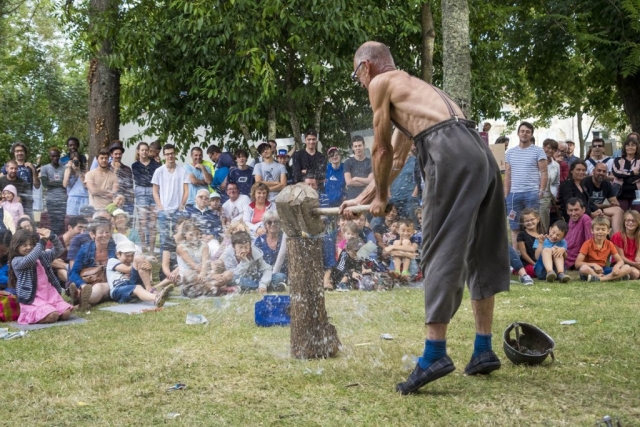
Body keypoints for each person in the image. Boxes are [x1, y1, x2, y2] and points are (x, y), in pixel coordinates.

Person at [342, 42, 509, 394]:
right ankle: (483, 350)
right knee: (481, 248)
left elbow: (380, 148)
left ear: (366, 67)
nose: (359, 81)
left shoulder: (379, 84)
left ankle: (434, 352)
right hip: (477, 149)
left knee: (441, 246)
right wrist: (364, 197)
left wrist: (384, 198)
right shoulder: (416, 92)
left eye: (356, 73)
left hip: (448, 150)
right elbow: (397, 159)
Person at [10, 228, 73, 324]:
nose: (29, 247)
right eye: (24, 245)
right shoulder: (17, 261)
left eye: (31, 244)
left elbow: (59, 250)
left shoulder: (42, 256)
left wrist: (52, 236)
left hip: (49, 294)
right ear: (16, 247)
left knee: (66, 313)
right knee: (53, 315)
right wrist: (42, 241)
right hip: (33, 298)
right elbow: (30, 260)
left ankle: (51, 312)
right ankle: (42, 315)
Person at [504, 122, 548, 248]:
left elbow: (544, 172)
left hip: (532, 193)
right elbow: (507, 175)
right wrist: (506, 195)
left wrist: (541, 191)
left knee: (533, 224)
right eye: (522, 131)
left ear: (531, 134)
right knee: (515, 226)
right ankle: (516, 258)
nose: (524, 134)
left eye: (528, 132)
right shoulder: (510, 153)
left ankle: (535, 254)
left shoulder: (538, 151)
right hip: (514, 194)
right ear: (518, 133)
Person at [68, 217, 116, 310]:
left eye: (107, 232)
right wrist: (82, 284)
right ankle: (82, 295)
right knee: (92, 288)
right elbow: (73, 272)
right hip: (89, 283)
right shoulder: (85, 249)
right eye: (101, 232)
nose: (105, 235)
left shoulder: (116, 248)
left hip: (109, 282)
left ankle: (80, 297)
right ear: (92, 234)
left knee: (99, 288)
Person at [106, 240, 173, 306]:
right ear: (118, 254)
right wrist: (145, 261)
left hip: (132, 284)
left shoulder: (133, 263)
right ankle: (156, 297)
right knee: (137, 287)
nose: (130, 258)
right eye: (127, 255)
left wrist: (148, 268)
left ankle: (150, 289)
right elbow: (127, 269)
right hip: (118, 289)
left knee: (139, 258)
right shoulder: (112, 261)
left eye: (132, 255)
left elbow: (145, 277)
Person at [221, 230, 286, 293]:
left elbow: (267, 269)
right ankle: (270, 287)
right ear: (233, 246)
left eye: (246, 247)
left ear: (250, 245)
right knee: (235, 280)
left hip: (255, 277)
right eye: (240, 247)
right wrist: (244, 262)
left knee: (280, 276)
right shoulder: (228, 254)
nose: (243, 250)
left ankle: (256, 288)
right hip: (242, 279)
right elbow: (234, 274)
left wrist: (263, 284)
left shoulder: (255, 251)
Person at [151, 144, 189, 249]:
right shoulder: (158, 171)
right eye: (167, 154)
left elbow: (186, 191)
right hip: (164, 210)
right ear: (164, 156)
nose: (170, 156)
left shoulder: (182, 171)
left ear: (175, 154)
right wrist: (160, 207)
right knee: (164, 239)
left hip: (178, 210)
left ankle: (177, 263)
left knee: (178, 238)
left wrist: (182, 205)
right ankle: (164, 264)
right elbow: (154, 191)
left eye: (172, 153)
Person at [575, 216, 632, 282]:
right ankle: (612, 277)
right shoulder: (587, 244)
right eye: (597, 229)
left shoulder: (609, 244)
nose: (600, 232)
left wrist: (616, 267)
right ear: (592, 230)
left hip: (603, 269)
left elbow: (620, 261)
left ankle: (600, 279)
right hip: (590, 269)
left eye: (603, 229)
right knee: (583, 268)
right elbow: (577, 264)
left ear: (608, 231)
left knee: (627, 267)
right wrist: (594, 265)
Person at [131, 142, 161, 253]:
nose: (144, 152)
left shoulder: (155, 164)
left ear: (148, 151)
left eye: (146, 150)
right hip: (141, 193)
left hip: (154, 192)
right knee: (143, 222)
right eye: (142, 150)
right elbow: (140, 179)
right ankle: (143, 248)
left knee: (152, 224)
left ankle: (152, 250)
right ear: (138, 151)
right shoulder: (135, 165)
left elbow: (158, 178)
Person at [582, 162, 624, 233]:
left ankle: (615, 238)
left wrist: (613, 204)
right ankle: (617, 239)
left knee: (619, 210)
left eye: (604, 171)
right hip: (589, 211)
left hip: (600, 211)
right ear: (593, 171)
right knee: (616, 216)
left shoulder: (606, 184)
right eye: (599, 170)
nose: (601, 173)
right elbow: (588, 204)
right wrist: (607, 205)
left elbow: (615, 203)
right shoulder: (585, 182)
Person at [2, 142, 40, 218]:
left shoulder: (30, 166)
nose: (19, 153)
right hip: (10, 202)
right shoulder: (9, 166)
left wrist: (32, 168)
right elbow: (1, 182)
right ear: (14, 153)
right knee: (10, 226)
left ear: (25, 152)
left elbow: (37, 185)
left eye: (21, 150)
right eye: (17, 151)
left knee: (27, 226)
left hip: (27, 202)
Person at [39, 148, 67, 237]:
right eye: (53, 156)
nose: (55, 158)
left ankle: (59, 242)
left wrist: (52, 182)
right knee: (52, 220)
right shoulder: (44, 168)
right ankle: (54, 241)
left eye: (57, 155)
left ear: (59, 156)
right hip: (51, 199)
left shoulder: (65, 168)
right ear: (50, 157)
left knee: (61, 220)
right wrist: (60, 183)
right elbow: (45, 183)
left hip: (62, 199)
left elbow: (66, 184)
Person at [253, 210, 288, 278]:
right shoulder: (259, 240)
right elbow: (255, 261)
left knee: (281, 277)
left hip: (283, 274)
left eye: (276, 222)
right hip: (264, 274)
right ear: (265, 225)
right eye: (269, 222)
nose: (273, 224)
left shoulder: (284, 238)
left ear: (280, 223)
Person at [612, 136, 640, 211]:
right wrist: (632, 173)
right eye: (628, 145)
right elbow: (616, 173)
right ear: (624, 147)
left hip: (636, 193)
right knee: (621, 213)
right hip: (620, 193)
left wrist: (626, 178)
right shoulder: (617, 160)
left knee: (637, 215)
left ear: (637, 147)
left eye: (633, 145)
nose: (630, 147)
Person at [564, 198, 593, 270]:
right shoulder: (571, 219)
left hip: (575, 259)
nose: (573, 213)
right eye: (571, 210)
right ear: (567, 211)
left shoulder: (585, 218)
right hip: (566, 255)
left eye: (576, 210)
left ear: (583, 209)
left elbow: (590, 241)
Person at [611, 210, 640, 279]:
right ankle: (622, 274)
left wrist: (638, 262)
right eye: (628, 220)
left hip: (634, 263)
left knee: (636, 272)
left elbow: (637, 256)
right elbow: (621, 257)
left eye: (633, 221)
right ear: (624, 222)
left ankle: (624, 275)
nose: (630, 223)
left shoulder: (639, 236)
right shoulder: (618, 236)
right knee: (635, 273)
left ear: (638, 222)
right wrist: (634, 264)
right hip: (620, 262)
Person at [539, 139, 561, 232]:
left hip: (546, 197)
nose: (550, 151)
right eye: (548, 148)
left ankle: (544, 241)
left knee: (544, 222)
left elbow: (556, 182)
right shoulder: (536, 162)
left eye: (553, 149)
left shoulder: (555, 165)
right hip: (533, 194)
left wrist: (553, 194)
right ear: (543, 147)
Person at [516, 208, 544, 278]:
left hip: (541, 261)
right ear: (523, 223)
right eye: (527, 221)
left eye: (532, 219)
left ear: (538, 219)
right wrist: (534, 264)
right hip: (528, 262)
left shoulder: (542, 234)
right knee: (533, 271)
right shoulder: (522, 234)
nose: (530, 222)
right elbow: (523, 253)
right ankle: (515, 269)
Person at [108, 142, 135, 215]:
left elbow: (129, 186)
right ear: (111, 154)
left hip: (126, 202)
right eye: (116, 154)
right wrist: (116, 171)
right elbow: (108, 183)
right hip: (111, 201)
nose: (118, 156)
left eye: (120, 154)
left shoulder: (127, 169)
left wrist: (131, 201)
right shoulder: (107, 168)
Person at [344, 136, 373, 201]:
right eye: (355, 146)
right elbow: (348, 182)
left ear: (364, 146)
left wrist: (356, 178)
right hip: (352, 198)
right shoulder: (348, 162)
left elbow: (371, 181)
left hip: (367, 197)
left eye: (360, 146)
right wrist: (366, 182)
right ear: (352, 148)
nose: (358, 148)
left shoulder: (370, 162)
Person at [63, 151, 90, 216]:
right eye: (74, 161)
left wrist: (79, 171)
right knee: (72, 221)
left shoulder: (85, 170)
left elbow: (86, 185)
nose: (76, 163)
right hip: (72, 198)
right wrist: (69, 168)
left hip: (84, 198)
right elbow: (65, 184)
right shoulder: (68, 170)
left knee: (85, 220)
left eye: (77, 161)